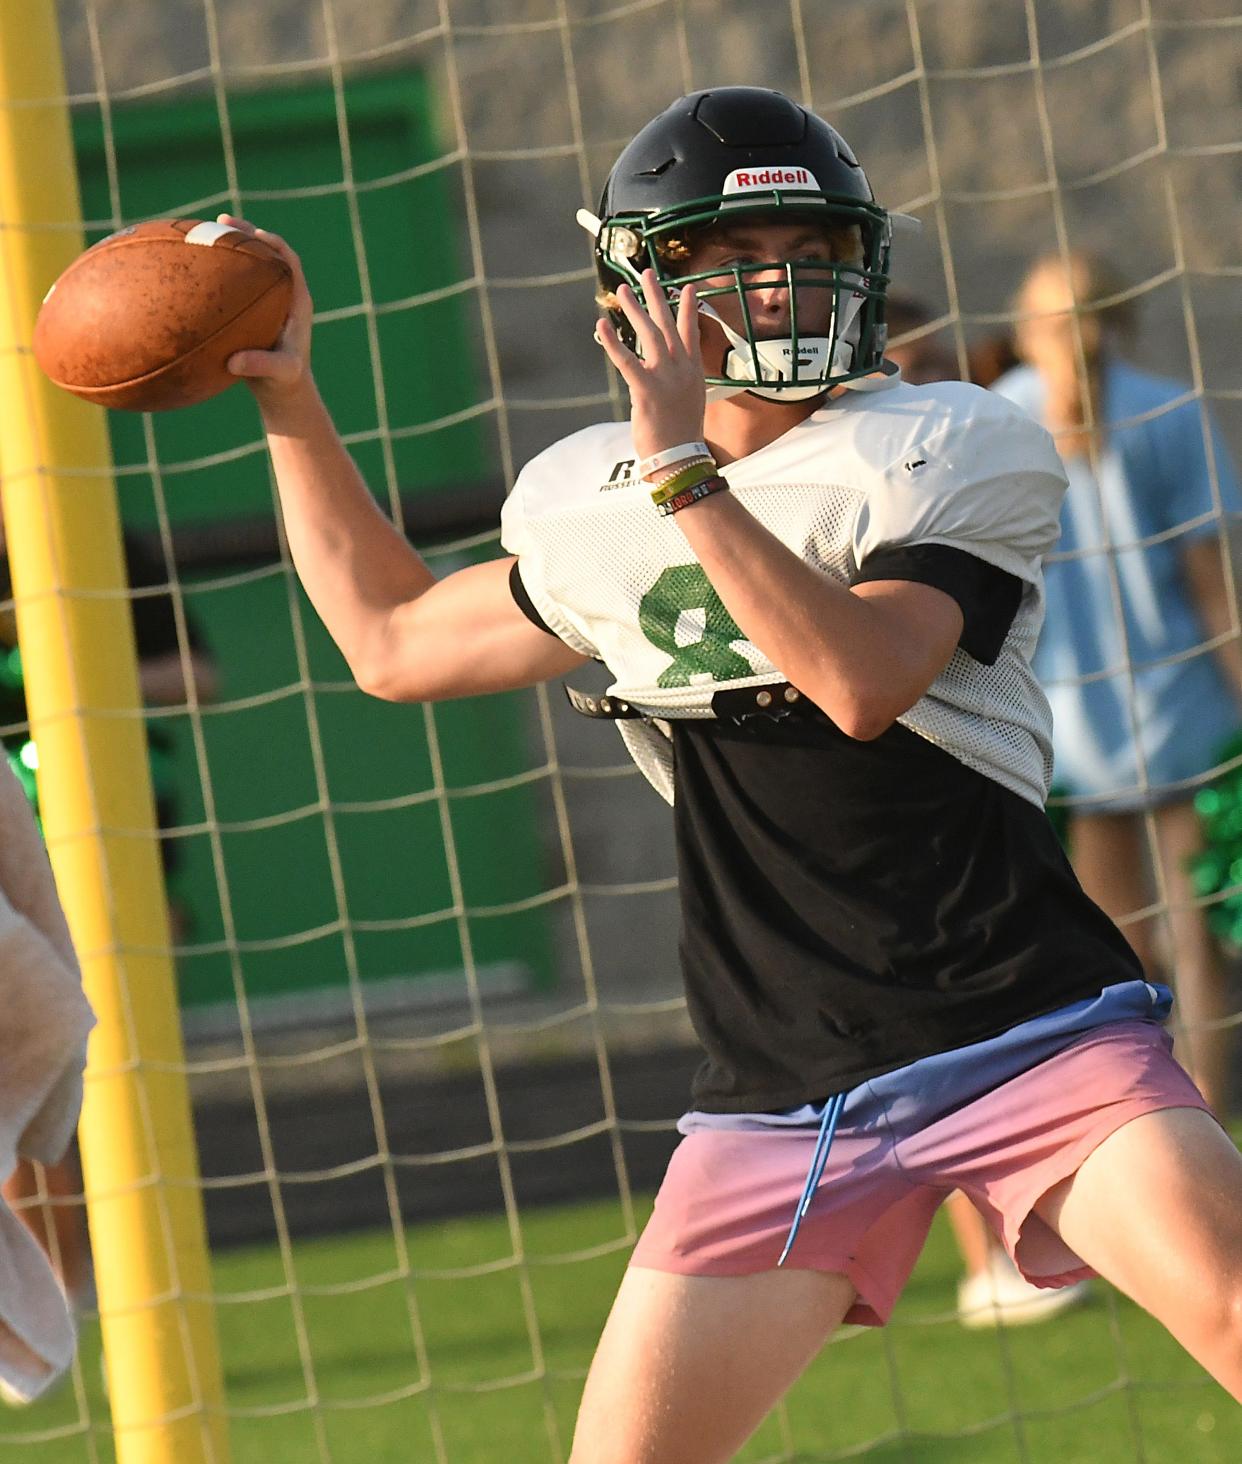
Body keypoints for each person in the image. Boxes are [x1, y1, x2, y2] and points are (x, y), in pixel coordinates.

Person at [225, 87, 1242, 1462]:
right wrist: (290, 402)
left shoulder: (949, 437)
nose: (790, 281)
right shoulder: (596, 493)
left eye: (813, 246)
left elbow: (861, 682)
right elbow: (393, 641)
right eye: (741, 253)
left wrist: (685, 476)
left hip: (1028, 1036)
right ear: (640, 284)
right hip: (777, 1095)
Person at [885, 295, 1092, 1329]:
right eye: (904, 360)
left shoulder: (970, 456)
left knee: (1023, 1016)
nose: (920, 376)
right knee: (932, 1039)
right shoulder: (853, 484)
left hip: (996, 778)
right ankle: (990, 1258)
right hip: (891, 819)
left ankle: (1032, 1237)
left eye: (932, 358)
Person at [996, 251, 1241, 1120]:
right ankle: (1207, 1121)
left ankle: (1143, 1125)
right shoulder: (1171, 409)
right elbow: (1217, 594)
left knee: (1113, 955)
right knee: (1196, 944)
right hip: (1182, 718)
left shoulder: (993, 420)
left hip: (1064, 734)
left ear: (1028, 329)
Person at [0, 530, 217, 1333]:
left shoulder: (96, 542)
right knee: (22, 1072)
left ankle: (129, 1292)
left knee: (120, 1073)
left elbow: (200, 675)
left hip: (113, 848)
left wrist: (79, 680)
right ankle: (51, 1290)